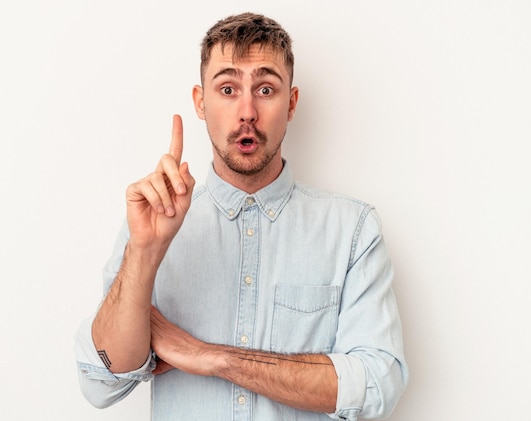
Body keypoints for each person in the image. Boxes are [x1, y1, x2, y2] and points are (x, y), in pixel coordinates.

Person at [75, 12, 408, 421]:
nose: (247, 111)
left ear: (291, 103)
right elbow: (100, 382)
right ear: (201, 102)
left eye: (265, 89)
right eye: (228, 89)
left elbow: (376, 384)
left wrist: (211, 357)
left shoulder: (352, 231)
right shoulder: (151, 219)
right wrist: (145, 253)